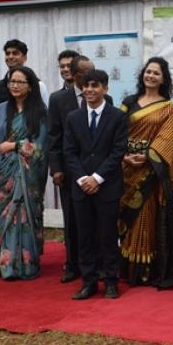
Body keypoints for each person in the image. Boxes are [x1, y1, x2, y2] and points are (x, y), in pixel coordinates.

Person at [64, 69, 128, 299]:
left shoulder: (117, 116)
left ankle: (111, 281)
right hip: (81, 188)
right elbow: (69, 152)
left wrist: (97, 178)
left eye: (95, 86)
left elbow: (118, 151)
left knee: (108, 236)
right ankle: (88, 281)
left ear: (105, 88)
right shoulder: (73, 118)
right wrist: (83, 179)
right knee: (85, 236)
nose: (89, 90)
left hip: (107, 187)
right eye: (86, 86)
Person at [118, 57, 173, 286]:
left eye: (156, 73)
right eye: (148, 71)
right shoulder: (129, 102)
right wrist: (124, 155)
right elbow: (116, 131)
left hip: (149, 173)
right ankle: (124, 266)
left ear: (163, 79)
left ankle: (143, 271)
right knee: (123, 218)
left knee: (144, 218)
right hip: (126, 168)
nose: (151, 76)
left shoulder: (167, 107)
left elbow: (166, 139)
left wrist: (148, 157)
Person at [0, 66, 49, 280]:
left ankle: (27, 264)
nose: (15, 86)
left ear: (30, 86)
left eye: (20, 82)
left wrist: (15, 145)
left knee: (26, 218)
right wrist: (0, 163)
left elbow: (41, 146)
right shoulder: (0, 109)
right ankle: (9, 266)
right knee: (7, 218)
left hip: (29, 174)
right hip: (4, 172)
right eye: (11, 82)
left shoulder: (40, 112)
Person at [47, 54, 96, 283]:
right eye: (87, 73)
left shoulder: (104, 98)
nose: (92, 78)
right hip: (69, 170)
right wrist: (56, 169)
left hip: (96, 175)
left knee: (93, 220)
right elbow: (54, 137)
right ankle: (72, 263)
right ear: (76, 76)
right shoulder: (58, 100)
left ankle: (95, 263)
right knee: (72, 220)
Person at [0, 39, 49, 105]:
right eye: (7, 53)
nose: (10, 57)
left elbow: (45, 112)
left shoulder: (38, 85)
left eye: (15, 53)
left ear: (25, 58)